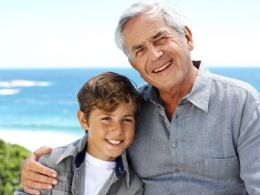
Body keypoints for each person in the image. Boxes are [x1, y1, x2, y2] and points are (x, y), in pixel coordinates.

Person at [20, 1, 260, 194]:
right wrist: (43, 163)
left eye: (160, 39)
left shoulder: (242, 102)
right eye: (140, 50)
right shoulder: (133, 108)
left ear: (187, 37)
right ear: (133, 63)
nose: (155, 55)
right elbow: (100, 140)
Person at [16, 72, 144, 195]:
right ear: (83, 120)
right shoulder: (50, 163)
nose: (117, 130)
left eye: (126, 120)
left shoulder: (133, 187)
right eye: (106, 118)